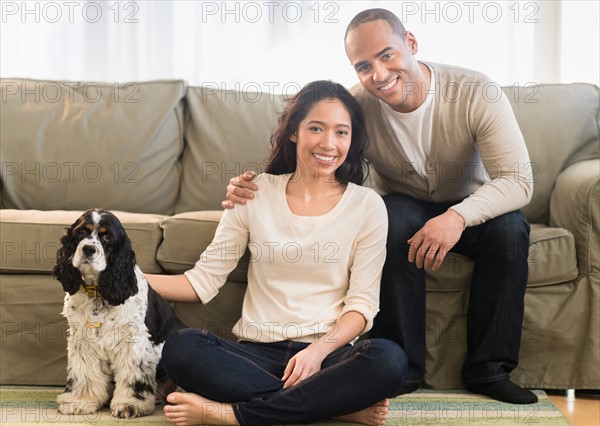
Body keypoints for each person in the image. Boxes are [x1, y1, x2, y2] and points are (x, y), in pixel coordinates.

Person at [223, 9, 538, 405]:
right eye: (364, 66)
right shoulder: (358, 108)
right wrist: (252, 188)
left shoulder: (475, 90)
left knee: (511, 228)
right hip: (404, 207)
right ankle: (402, 368)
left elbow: (518, 180)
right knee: (393, 216)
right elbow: (320, 159)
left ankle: (489, 370)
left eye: (387, 55)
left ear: (411, 43)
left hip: (471, 208)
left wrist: (457, 216)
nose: (379, 74)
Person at [146, 80, 407, 426]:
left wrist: (318, 351)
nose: (329, 143)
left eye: (341, 132)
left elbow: (362, 307)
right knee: (181, 348)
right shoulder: (254, 193)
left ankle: (230, 413)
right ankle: (333, 407)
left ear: (351, 140)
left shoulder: (367, 205)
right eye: (316, 128)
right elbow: (201, 284)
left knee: (388, 359)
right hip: (254, 353)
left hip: (329, 354)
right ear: (295, 132)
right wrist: (117, 277)